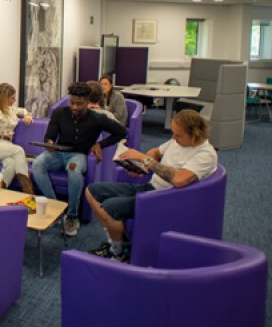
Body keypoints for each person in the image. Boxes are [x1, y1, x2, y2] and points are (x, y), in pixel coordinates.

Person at [85, 109, 218, 262]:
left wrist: (145, 159)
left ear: (195, 134)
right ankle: (116, 240)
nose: (173, 138)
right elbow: (156, 151)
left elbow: (180, 180)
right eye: (173, 133)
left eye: (178, 134)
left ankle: (118, 251)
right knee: (91, 190)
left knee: (109, 207)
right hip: (150, 186)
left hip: (165, 198)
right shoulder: (178, 140)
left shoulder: (205, 154)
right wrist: (142, 166)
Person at [31, 82, 127, 236]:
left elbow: (122, 132)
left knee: (74, 170)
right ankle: (56, 206)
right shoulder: (59, 113)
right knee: (37, 164)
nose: (74, 107)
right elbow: (49, 136)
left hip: (78, 155)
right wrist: (49, 143)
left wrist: (100, 144)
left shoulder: (97, 119)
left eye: (79, 104)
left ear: (88, 102)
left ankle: (72, 215)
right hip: (58, 153)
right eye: (72, 103)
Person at [0, 82, 35, 194]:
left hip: (6, 146)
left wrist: (28, 115)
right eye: (12, 98)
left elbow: (22, 110)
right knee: (18, 150)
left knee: (11, 164)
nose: (14, 100)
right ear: (4, 98)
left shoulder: (10, 110)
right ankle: (28, 192)